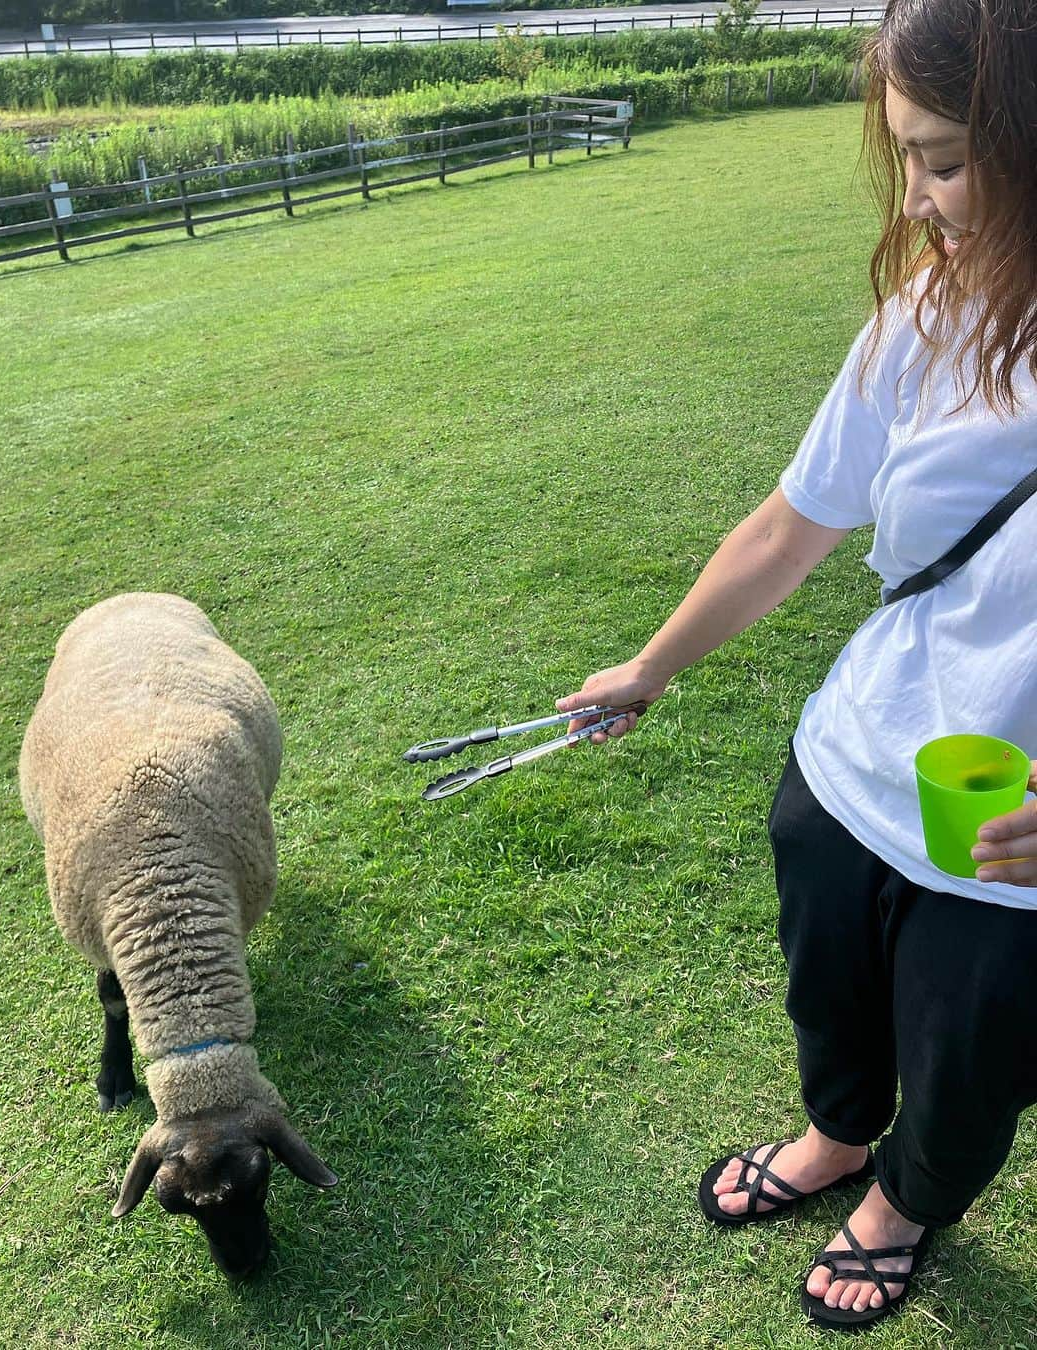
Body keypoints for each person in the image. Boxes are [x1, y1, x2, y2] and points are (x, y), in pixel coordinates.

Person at [556, 0, 1037, 1332]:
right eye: (907, 160)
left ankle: (902, 1203)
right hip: (854, 758)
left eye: (945, 157)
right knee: (827, 989)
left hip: (1008, 837)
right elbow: (790, 526)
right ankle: (834, 1134)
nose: (925, 199)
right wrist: (646, 666)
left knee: (966, 1055)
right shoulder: (930, 310)